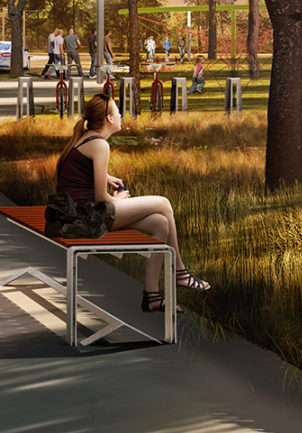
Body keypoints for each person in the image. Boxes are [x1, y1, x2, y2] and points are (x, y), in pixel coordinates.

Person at [55, 93, 210, 314]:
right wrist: (116, 199)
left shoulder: (87, 137)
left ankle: (152, 296)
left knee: (159, 224)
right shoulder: (100, 145)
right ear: (109, 118)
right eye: (118, 111)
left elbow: (78, 171)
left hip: (75, 215)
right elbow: (101, 198)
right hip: (86, 218)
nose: (121, 115)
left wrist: (107, 177)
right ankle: (180, 273)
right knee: (164, 204)